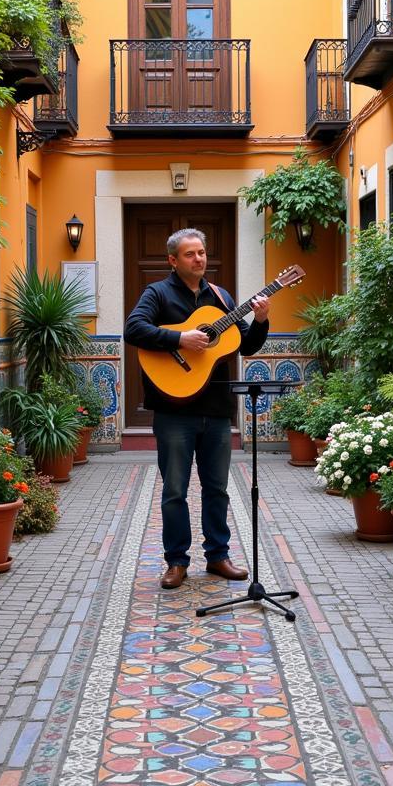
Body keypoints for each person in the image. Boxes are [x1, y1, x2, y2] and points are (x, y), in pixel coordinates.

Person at [124, 228, 271, 590]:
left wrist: (262, 319)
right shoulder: (157, 293)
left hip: (217, 410)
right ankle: (176, 562)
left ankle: (218, 556)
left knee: (217, 488)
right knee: (175, 489)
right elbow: (133, 329)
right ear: (173, 260)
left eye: (202, 252)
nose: (199, 259)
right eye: (190, 254)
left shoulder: (221, 298)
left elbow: (246, 345)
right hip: (173, 411)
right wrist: (179, 338)